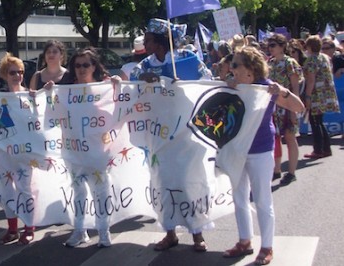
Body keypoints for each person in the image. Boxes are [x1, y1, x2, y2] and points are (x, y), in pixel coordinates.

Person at [130, 18, 212, 252]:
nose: (144, 43)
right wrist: (142, 81)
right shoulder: (144, 65)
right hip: (159, 134)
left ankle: (198, 233)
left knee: (190, 181)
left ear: (159, 42)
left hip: (187, 132)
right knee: (163, 183)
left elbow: (207, 82)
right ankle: (170, 233)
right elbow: (132, 85)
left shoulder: (186, 60)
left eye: (147, 40)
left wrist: (182, 83)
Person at [223, 47, 304, 265]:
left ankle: (267, 247)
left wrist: (283, 92)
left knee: (262, 200)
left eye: (236, 65)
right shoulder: (232, 86)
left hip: (260, 149)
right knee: (239, 199)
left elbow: (299, 107)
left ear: (250, 68)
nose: (232, 68)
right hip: (237, 150)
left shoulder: (267, 88)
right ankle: (244, 241)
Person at [63, 47, 113, 248]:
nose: (81, 69)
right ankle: (80, 230)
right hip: (74, 152)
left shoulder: (105, 89)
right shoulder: (65, 92)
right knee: (79, 193)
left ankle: (103, 231)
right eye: (77, 65)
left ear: (94, 67)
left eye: (86, 65)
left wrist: (117, 86)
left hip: (99, 152)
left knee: (101, 192)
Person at [0, 53, 36, 245]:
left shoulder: (30, 95)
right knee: (7, 190)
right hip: (3, 153)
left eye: (21, 72)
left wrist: (37, 98)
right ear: (4, 75)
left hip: (24, 153)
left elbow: (39, 122)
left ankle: (29, 227)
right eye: (13, 72)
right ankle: (12, 228)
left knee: (25, 189)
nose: (17, 76)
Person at [267, 34, 304, 185]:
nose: (270, 48)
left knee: (290, 138)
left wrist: (294, 110)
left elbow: (295, 87)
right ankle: (277, 169)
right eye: (269, 45)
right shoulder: (270, 63)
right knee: (275, 138)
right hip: (274, 106)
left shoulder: (290, 62)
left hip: (287, 105)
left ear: (282, 46)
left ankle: (292, 171)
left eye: (273, 45)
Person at [303, 35, 339, 158]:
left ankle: (318, 149)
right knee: (319, 121)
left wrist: (307, 96)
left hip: (316, 94)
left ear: (309, 47)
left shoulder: (312, 60)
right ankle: (326, 148)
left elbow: (311, 80)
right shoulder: (325, 58)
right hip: (326, 94)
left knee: (315, 122)